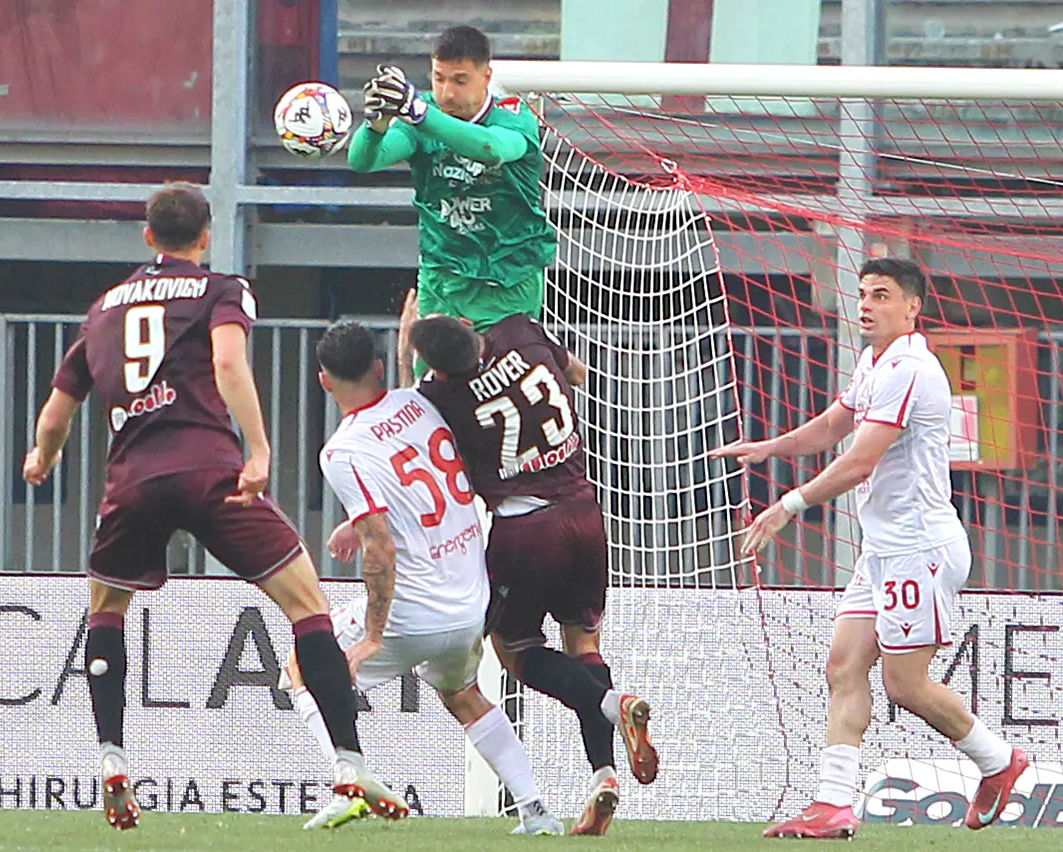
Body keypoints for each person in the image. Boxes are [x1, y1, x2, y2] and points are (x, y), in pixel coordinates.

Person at [21, 183, 404, 830]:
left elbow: (58, 414)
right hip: (210, 473)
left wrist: (42, 458)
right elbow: (228, 362)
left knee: (107, 610)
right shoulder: (222, 289)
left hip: (133, 482)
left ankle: (113, 757)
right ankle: (348, 764)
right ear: (206, 235)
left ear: (148, 236)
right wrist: (259, 450)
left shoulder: (103, 310)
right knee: (306, 606)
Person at [712, 257, 1028, 839]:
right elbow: (833, 428)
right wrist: (769, 448)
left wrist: (787, 506)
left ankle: (999, 761)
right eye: (862, 294)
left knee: (904, 686)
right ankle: (833, 804)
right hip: (881, 550)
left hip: (920, 549)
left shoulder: (910, 368)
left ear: (912, 307)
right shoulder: (873, 361)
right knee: (844, 665)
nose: (865, 305)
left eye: (881, 295)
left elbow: (859, 462)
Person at [287, 320, 564, 834]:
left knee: (303, 666)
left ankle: (349, 776)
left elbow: (380, 548)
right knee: (464, 695)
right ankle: (535, 810)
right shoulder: (421, 403)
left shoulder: (342, 452)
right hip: (470, 603)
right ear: (377, 367)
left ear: (324, 381)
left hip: (414, 615)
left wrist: (374, 636)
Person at [401, 294, 659, 836]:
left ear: (439, 368)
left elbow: (412, 424)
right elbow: (578, 373)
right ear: (471, 326)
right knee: (583, 644)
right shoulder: (521, 329)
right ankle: (603, 775)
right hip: (585, 513)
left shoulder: (441, 395)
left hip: (525, 532)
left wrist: (408, 348)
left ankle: (614, 703)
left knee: (516, 652)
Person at [349, 25, 557, 375]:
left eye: (460, 80)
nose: (446, 92)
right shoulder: (420, 115)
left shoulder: (513, 116)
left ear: (486, 76)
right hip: (443, 278)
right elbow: (363, 161)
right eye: (439, 78)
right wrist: (376, 125)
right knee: (434, 389)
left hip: (506, 281)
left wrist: (420, 115)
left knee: (498, 387)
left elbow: (490, 149)